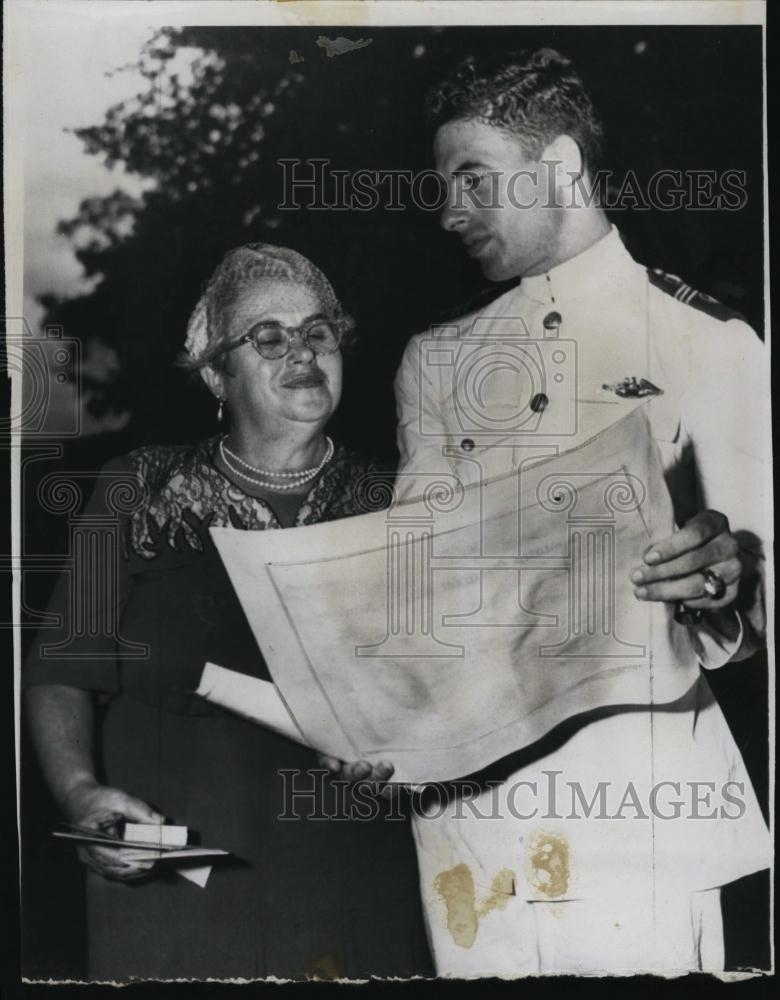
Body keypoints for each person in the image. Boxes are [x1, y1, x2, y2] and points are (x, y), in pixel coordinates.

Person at [393, 49, 771, 976]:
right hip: (474, 811)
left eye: (473, 179)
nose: (450, 213)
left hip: (638, 805)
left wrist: (724, 585)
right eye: (444, 187)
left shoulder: (709, 341)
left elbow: (755, 607)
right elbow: (415, 588)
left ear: (559, 163)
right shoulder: (434, 360)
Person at [24, 243, 432, 981]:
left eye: (317, 333)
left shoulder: (400, 503)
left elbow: (442, 690)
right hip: (174, 880)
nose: (301, 353)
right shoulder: (134, 488)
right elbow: (60, 669)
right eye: (267, 338)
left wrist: (411, 752)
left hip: (351, 880)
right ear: (216, 373)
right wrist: (81, 793)